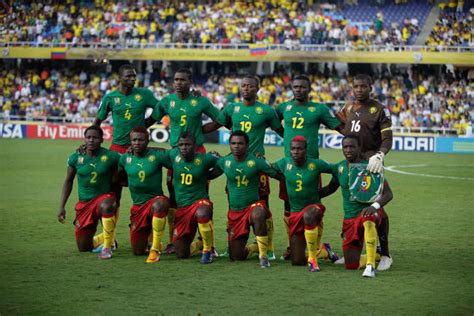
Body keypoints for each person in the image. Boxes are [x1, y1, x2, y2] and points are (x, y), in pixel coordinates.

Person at [203, 74, 284, 259]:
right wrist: (193, 130)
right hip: (236, 162)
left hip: (257, 164)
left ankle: (267, 247)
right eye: (243, 85)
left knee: (264, 203)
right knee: (233, 201)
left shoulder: (266, 110)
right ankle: (233, 238)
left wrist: (291, 152)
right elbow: (216, 124)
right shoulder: (232, 108)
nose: (245, 88)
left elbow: (281, 132)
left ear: (257, 89)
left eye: (249, 86)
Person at [147, 68, 220, 254]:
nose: (179, 82)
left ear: (190, 81)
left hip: (198, 153)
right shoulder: (167, 102)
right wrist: (134, 136)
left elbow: (220, 119)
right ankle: (174, 239)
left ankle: (208, 244)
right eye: (176, 79)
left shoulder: (200, 100)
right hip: (175, 155)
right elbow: (150, 120)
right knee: (174, 196)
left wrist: (202, 130)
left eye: (183, 79)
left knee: (202, 196)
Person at [275, 74, 343, 259]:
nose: (299, 90)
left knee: (313, 205)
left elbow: (338, 127)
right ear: (292, 88)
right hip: (289, 165)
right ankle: (293, 245)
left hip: (311, 166)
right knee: (289, 206)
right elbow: (272, 122)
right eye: (296, 87)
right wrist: (286, 135)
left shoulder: (318, 109)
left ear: (309, 89)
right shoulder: (284, 107)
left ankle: (319, 246)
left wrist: (357, 130)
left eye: (303, 87)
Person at [336, 74, 393, 270]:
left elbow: (387, 138)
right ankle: (354, 246)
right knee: (352, 204)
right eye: (356, 86)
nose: (359, 89)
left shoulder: (378, 109)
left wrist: (380, 155)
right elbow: (341, 126)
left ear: (370, 88)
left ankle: (384, 254)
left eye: (363, 86)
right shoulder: (349, 107)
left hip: (370, 164)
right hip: (352, 162)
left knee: (377, 206)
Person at [320, 135, 393, 277]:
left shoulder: (371, 166)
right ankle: (376, 255)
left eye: (352, 146)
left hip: (368, 215)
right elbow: (329, 188)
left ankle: (371, 266)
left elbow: (388, 194)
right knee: (351, 265)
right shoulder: (340, 167)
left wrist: (375, 206)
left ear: (359, 148)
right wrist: (309, 197)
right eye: (345, 147)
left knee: (368, 216)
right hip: (349, 220)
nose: (348, 150)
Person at [209, 131, 284, 268]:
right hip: (235, 212)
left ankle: (263, 256)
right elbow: (210, 175)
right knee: (236, 256)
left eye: (240, 143)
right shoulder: (224, 162)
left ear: (247, 145)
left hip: (253, 206)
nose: (236, 146)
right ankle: (253, 248)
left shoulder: (256, 161)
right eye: (233, 143)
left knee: (259, 213)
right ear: (229, 145)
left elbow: (277, 175)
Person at [272, 136, 335, 272]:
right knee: (297, 261)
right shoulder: (284, 163)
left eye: (299, 149)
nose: (295, 151)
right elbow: (269, 169)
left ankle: (313, 259)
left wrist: (326, 190)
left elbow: (335, 170)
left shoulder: (316, 164)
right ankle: (324, 250)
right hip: (295, 213)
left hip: (314, 209)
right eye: (293, 149)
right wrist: (283, 178)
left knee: (309, 214)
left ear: (306, 150)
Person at [57, 126, 119, 260]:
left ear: (101, 140)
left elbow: (129, 159)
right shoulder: (75, 158)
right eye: (88, 137)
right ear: (84, 139)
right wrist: (62, 207)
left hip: (103, 198)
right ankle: (106, 237)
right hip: (84, 204)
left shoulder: (111, 156)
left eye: (95, 137)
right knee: (84, 248)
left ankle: (108, 246)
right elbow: (68, 182)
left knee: (107, 205)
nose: (91, 140)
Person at [116, 127, 170, 263]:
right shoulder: (125, 158)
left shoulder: (157, 156)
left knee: (161, 203)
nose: (137, 143)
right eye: (134, 140)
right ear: (130, 142)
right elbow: (117, 177)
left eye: (141, 140)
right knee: (138, 251)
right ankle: (149, 239)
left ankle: (155, 249)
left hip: (155, 202)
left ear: (147, 141)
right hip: (138, 207)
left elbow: (176, 159)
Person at [166, 132, 218, 264]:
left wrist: (210, 175)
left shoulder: (204, 159)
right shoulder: (174, 155)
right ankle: (199, 244)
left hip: (199, 203)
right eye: (181, 145)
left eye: (187, 145)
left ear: (195, 146)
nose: (184, 147)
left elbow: (224, 163)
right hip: (182, 209)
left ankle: (208, 250)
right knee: (181, 254)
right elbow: (157, 154)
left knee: (203, 212)